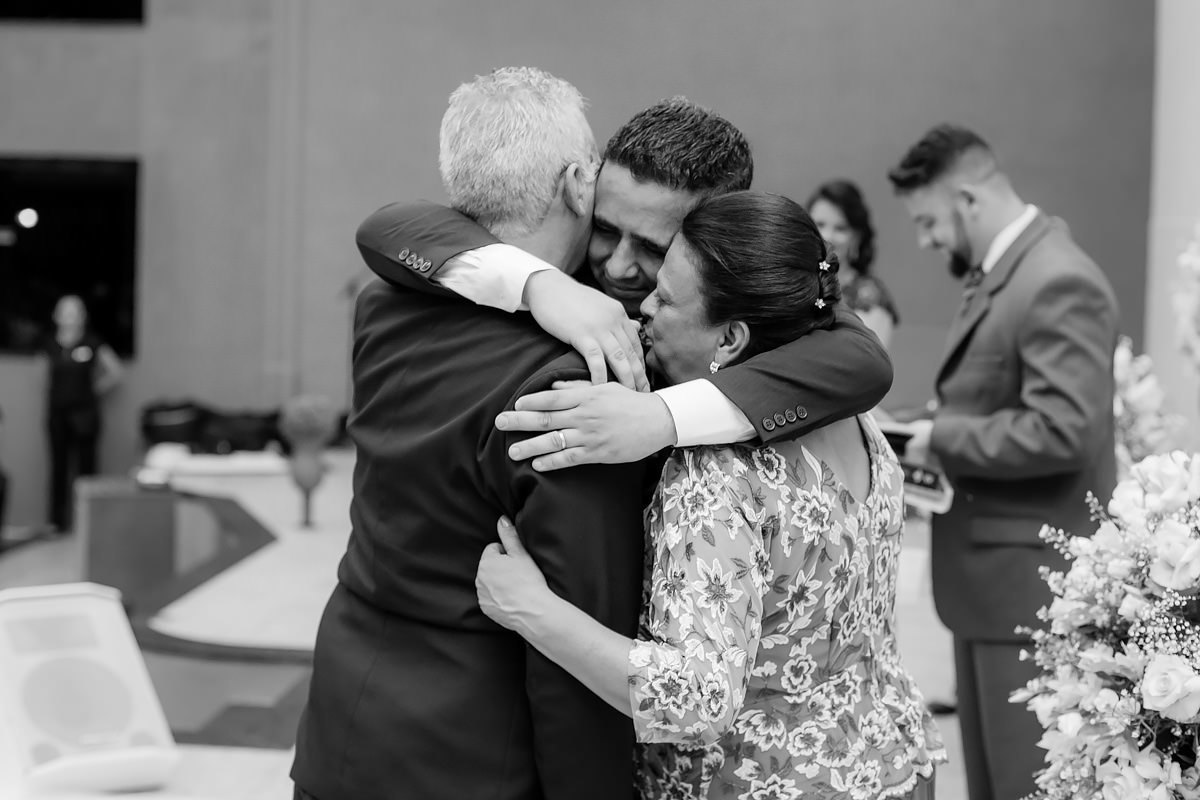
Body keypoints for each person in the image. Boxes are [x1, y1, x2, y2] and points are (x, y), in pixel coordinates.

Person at [476, 191, 945, 799]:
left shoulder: (717, 474)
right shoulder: (859, 422)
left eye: (666, 298)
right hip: (889, 761)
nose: (643, 305)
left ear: (730, 340)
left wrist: (530, 609)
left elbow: (697, 698)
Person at [290, 68, 654, 800]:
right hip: (473, 754)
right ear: (578, 183)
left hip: (343, 727)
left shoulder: (383, 306)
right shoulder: (570, 382)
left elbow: (401, 230)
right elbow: (576, 634)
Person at [367, 96, 894, 471]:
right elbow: (389, 228)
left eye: (652, 248)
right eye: (605, 229)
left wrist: (662, 418)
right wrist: (540, 285)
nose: (617, 267)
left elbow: (863, 361)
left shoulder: (753, 288)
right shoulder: (559, 271)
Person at [887, 124, 1119, 800]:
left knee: (1023, 785)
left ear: (967, 199)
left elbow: (1065, 430)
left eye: (928, 221)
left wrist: (943, 438)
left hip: (1029, 590)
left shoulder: (1055, 279)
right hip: (992, 586)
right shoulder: (1012, 273)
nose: (926, 240)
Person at [43, 294, 123, 532]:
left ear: (83, 316)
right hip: (58, 415)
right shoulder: (50, 344)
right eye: (65, 312)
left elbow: (116, 372)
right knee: (58, 469)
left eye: (75, 312)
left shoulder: (92, 343)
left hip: (84, 416)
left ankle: (88, 525)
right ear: (56, 316)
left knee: (86, 471)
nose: (70, 317)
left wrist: (92, 391)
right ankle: (57, 523)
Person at [807, 179, 900, 349]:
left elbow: (867, 361)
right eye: (819, 224)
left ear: (856, 236)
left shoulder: (870, 297)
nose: (827, 236)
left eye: (840, 228)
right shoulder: (793, 282)